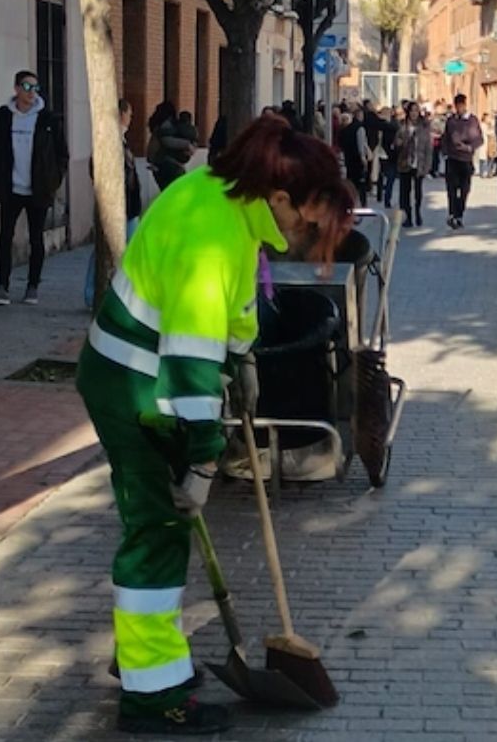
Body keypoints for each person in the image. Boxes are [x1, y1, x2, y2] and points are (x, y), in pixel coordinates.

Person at [76, 117, 354, 735]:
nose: (301, 233)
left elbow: (229, 311)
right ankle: (153, 697)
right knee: (158, 532)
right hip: (136, 385)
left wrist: (243, 357)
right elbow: (187, 362)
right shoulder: (212, 235)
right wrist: (202, 458)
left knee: (162, 526)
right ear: (279, 196)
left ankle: (144, 656)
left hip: (144, 373)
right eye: (306, 220)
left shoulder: (224, 200)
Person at [0, 70, 67, 306]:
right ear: (17, 89)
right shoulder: (3, 117)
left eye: (36, 88)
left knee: (36, 239)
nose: (32, 93)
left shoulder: (48, 120)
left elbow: (62, 153)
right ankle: (2, 287)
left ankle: (32, 286)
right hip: (11, 189)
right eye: (27, 87)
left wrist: (53, 179)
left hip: (38, 189)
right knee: (5, 238)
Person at [85, 99, 145, 308]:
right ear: (121, 115)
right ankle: (97, 292)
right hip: (121, 207)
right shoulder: (111, 140)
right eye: (129, 114)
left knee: (114, 250)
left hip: (128, 206)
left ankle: (100, 292)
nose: (131, 118)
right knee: (114, 250)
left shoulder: (121, 139)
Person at [440, 93, 483, 229]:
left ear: (465, 105)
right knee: (451, 189)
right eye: (457, 106)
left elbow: (479, 138)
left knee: (464, 190)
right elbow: (445, 137)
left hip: (465, 160)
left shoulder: (472, 120)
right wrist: (445, 152)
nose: (459, 108)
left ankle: (460, 214)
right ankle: (452, 214)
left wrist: (469, 147)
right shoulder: (451, 120)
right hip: (452, 159)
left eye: (461, 106)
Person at [397, 102, 433, 227]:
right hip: (405, 162)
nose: (414, 113)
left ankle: (417, 213)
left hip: (419, 162)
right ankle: (407, 216)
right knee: (404, 192)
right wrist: (400, 141)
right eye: (412, 111)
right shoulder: (402, 125)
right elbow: (396, 142)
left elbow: (428, 147)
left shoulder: (424, 126)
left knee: (418, 192)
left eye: (416, 111)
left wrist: (428, 165)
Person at [147, 102, 195, 191]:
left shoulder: (157, 127)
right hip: (170, 166)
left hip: (158, 166)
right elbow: (168, 141)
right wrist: (187, 144)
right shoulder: (166, 124)